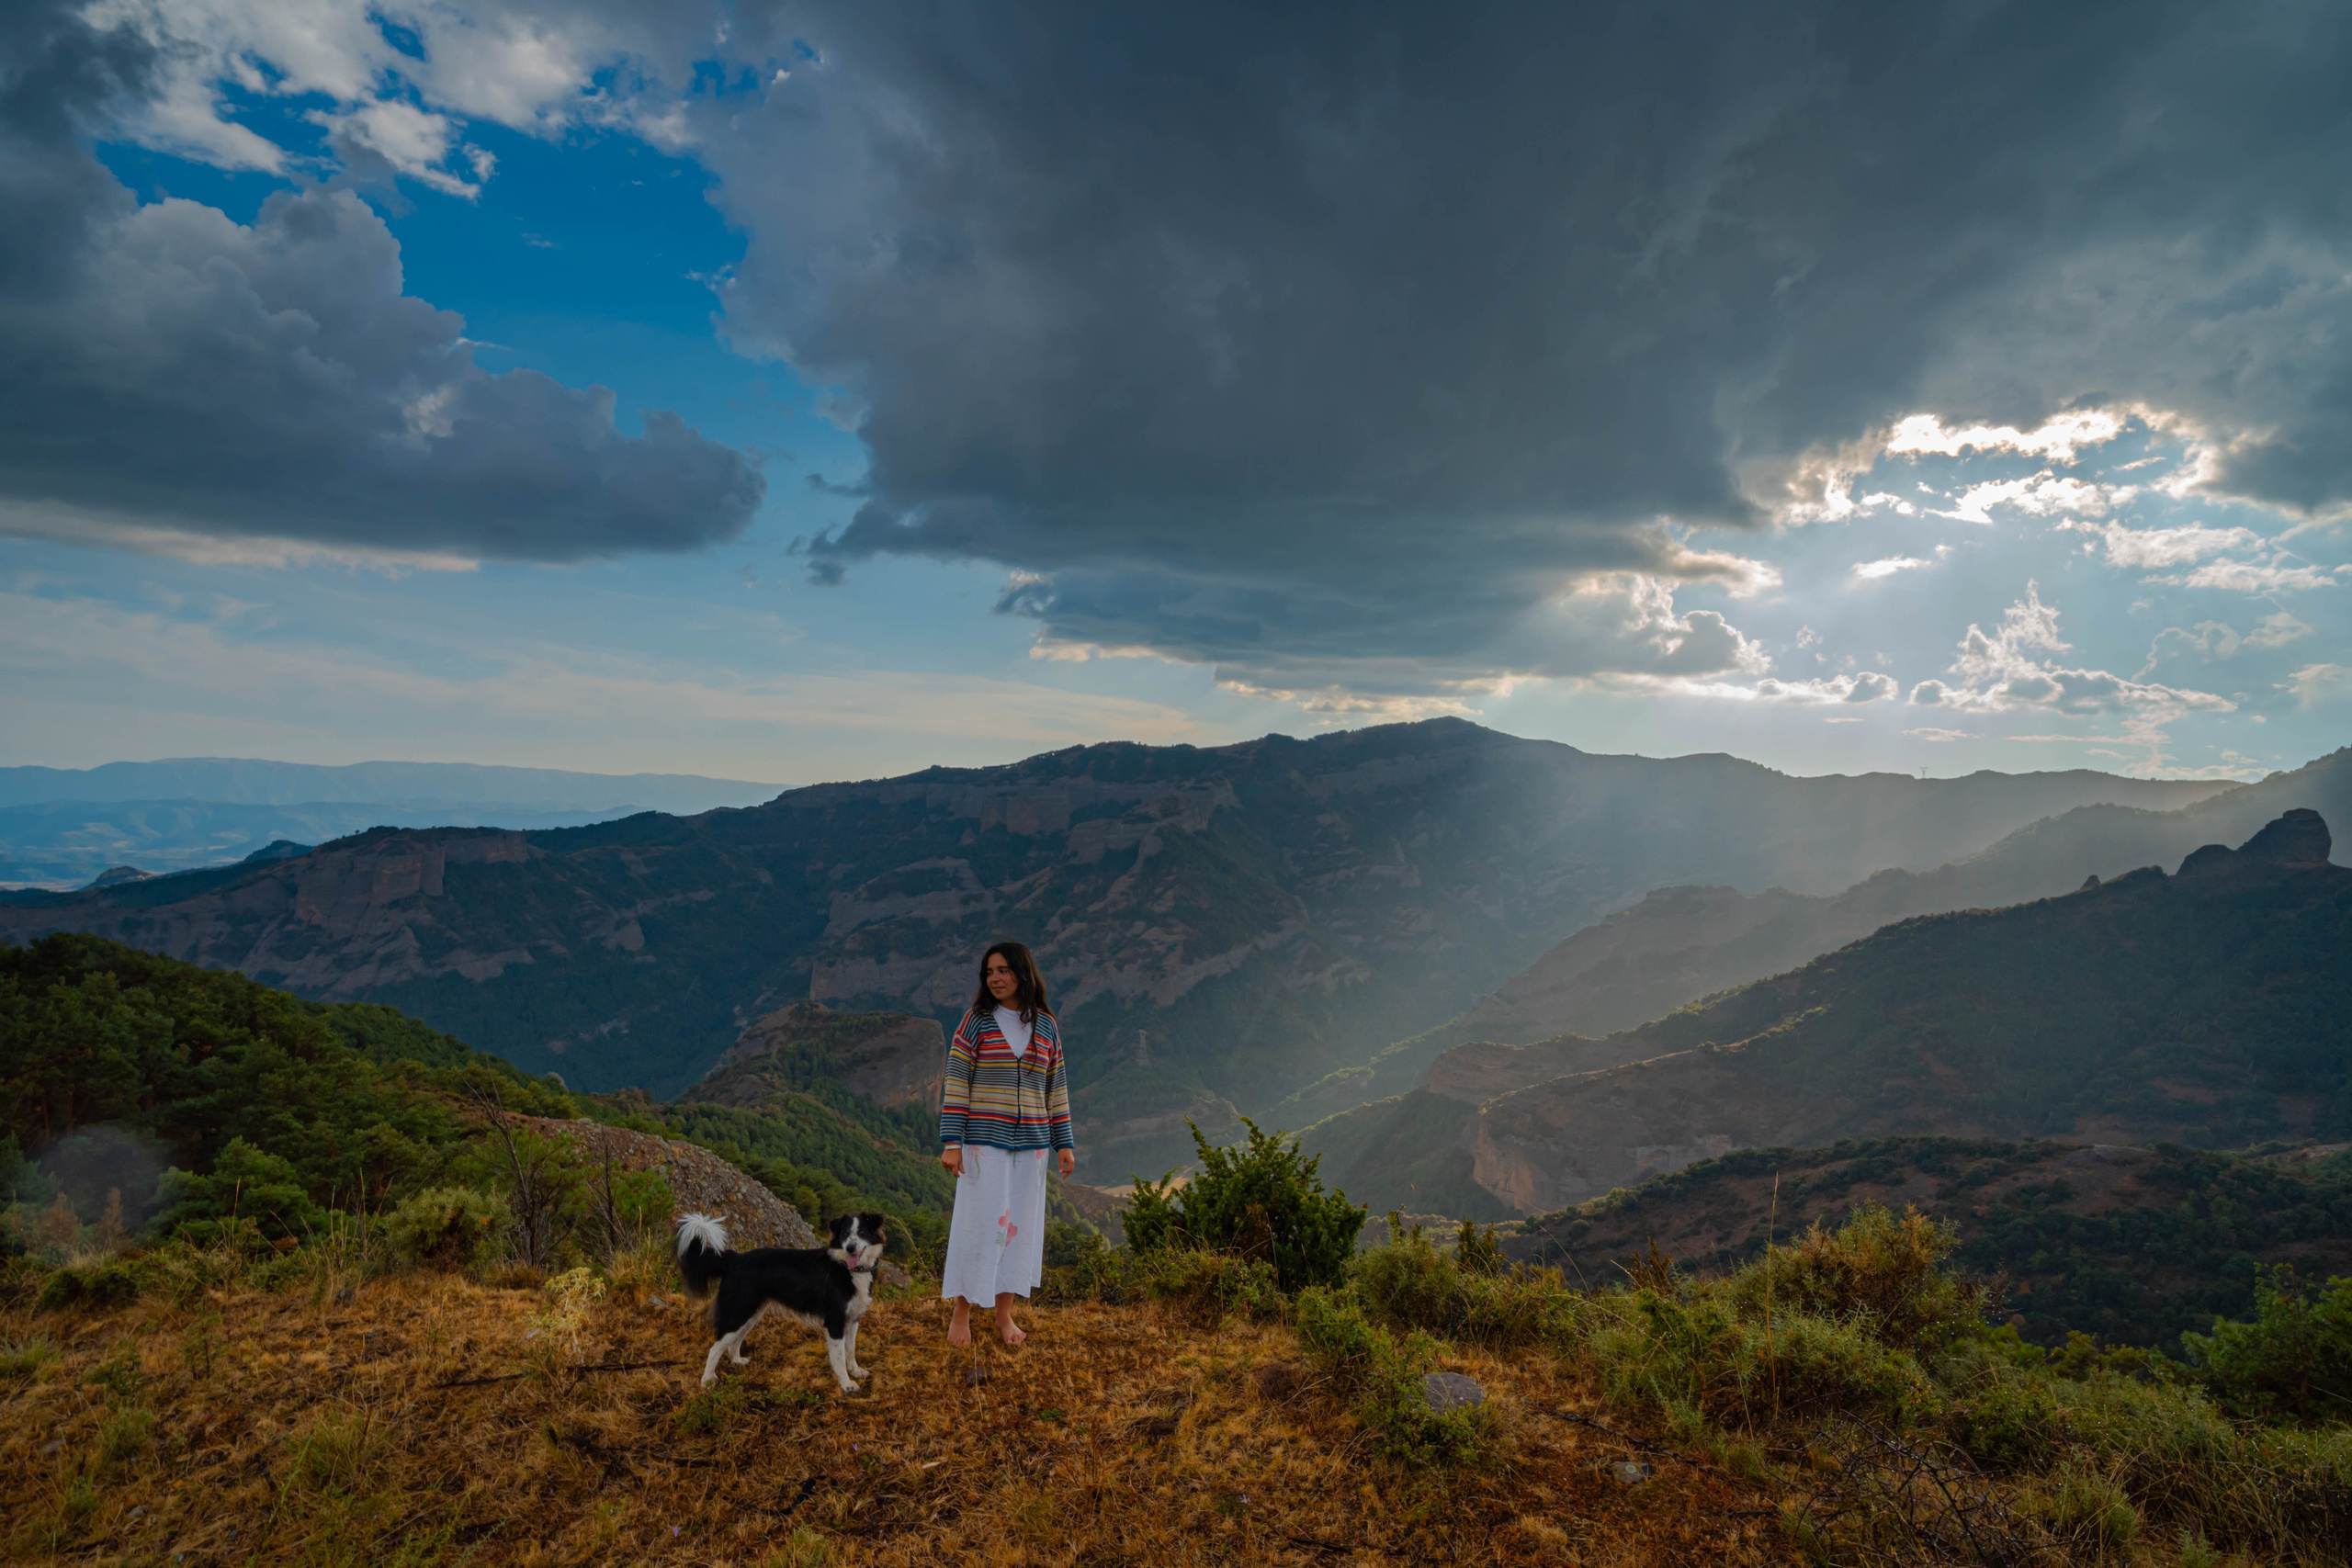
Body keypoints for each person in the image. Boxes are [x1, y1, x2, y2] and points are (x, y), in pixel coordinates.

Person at [937, 941, 1074, 1346]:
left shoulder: (1046, 1025)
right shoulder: (976, 1021)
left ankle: (1004, 1316)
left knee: (1019, 1229)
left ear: (1022, 973)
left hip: (1032, 1146)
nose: (994, 978)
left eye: (1003, 971)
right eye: (989, 972)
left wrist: (1062, 1142)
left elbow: (1057, 1087)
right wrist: (952, 1141)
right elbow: (956, 1080)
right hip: (985, 1144)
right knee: (979, 1226)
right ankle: (961, 1316)